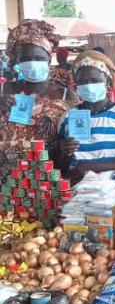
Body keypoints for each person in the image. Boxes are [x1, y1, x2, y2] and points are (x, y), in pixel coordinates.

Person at [0, 19, 72, 183]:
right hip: (3, 177)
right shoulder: (3, 90)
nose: (32, 63)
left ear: (48, 59)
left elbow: (72, 138)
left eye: (39, 57)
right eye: (25, 58)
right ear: (17, 61)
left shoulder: (65, 96)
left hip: (45, 179)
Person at [56, 50, 115, 181]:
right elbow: (59, 165)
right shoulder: (68, 117)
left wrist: (94, 167)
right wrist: (63, 152)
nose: (89, 86)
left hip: (113, 189)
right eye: (82, 82)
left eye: (94, 80)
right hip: (78, 189)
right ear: (76, 86)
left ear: (107, 82)